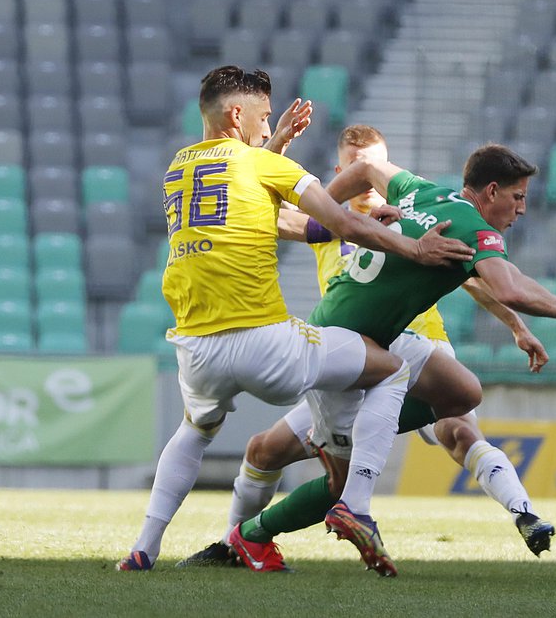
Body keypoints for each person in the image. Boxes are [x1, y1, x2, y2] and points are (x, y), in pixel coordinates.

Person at [116, 66, 475, 572]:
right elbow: (338, 222)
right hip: (267, 342)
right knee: (390, 367)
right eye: (264, 118)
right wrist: (415, 247)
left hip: (197, 349)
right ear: (237, 114)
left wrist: (276, 144)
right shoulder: (269, 168)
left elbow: (272, 205)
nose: (268, 128)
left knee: (195, 431)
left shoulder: (179, 168)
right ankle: (357, 502)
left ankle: (144, 548)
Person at [178, 125, 556, 573]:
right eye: (356, 165)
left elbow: (478, 274)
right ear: (341, 171)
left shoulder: (417, 212)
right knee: (264, 451)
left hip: (415, 344)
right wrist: (273, 150)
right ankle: (237, 544)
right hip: (346, 354)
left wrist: (516, 324)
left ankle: (524, 513)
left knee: (458, 426)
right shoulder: (327, 222)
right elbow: (273, 216)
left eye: (376, 161)